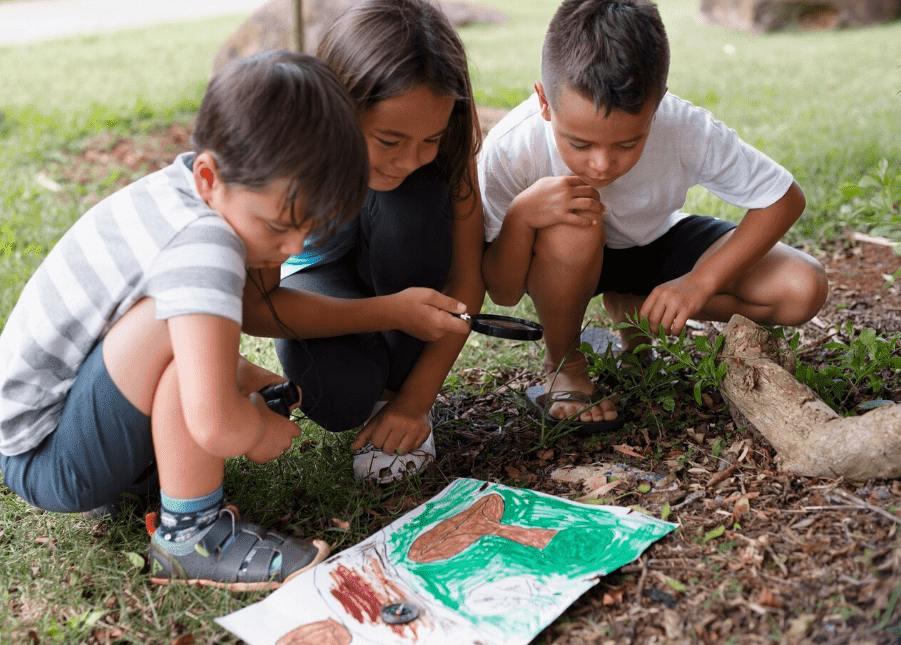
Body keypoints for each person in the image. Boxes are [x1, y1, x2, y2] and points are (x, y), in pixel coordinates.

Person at [0, 51, 370, 589]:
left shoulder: (181, 193)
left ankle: (150, 471)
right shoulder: (205, 243)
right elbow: (214, 422)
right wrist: (256, 429)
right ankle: (190, 537)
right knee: (178, 336)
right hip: (50, 458)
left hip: (55, 428)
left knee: (185, 330)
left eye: (311, 229)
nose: (293, 247)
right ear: (209, 176)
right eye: (278, 226)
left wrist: (242, 380)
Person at [479, 0, 828, 433]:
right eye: (580, 144)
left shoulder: (684, 127)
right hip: (563, 260)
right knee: (574, 220)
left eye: (627, 144)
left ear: (658, 102)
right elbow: (503, 292)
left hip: (655, 241)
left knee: (801, 288)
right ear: (545, 101)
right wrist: (521, 216)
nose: (602, 165)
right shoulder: (511, 147)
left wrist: (700, 282)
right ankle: (564, 363)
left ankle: (636, 308)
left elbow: (784, 198)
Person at [243, 0, 485, 484]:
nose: (409, 160)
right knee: (339, 397)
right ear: (339, 106)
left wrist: (415, 401)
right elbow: (256, 308)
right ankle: (371, 391)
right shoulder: (288, 155)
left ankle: (394, 400)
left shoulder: (447, 147)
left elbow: (467, 281)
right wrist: (390, 312)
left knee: (410, 210)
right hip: (319, 279)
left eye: (430, 140)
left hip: (401, 257)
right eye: (389, 141)